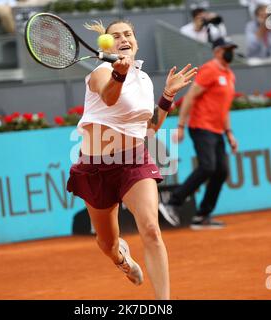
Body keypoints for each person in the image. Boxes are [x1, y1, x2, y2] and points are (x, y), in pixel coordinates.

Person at [66, 20, 196, 300]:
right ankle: (122, 260)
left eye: (128, 34)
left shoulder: (145, 80)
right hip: (95, 168)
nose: (123, 38)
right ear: (107, 44)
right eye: (116, 35)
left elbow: (149, 128)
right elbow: (109, 98)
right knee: (107, 243)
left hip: (134, 162)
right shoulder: (101, 72)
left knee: (151, 228)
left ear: (135, 42)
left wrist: (168, 95)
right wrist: (118, 75)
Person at [158, 37, 239, 230]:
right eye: (228, 49)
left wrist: (229, 133)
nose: (231, 52)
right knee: (208, 167)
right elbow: (190, 97)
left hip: (218, 130)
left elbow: (223, 108)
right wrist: (180, 125)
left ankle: (202, 216)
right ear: (217, 51)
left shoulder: (229, 75)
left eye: (232, 49)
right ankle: (172, 203)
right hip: (201, 126)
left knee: (221, 171)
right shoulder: (210, 69)